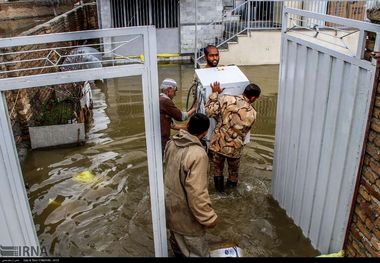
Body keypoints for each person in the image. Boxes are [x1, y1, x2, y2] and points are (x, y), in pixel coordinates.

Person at [164, 113, 218, 257]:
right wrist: (209, 218)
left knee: (178, 251)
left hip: (170, 211)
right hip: (187, 220)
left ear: (187, 126)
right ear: (206, 132)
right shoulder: (198, 154)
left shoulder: (171, 143)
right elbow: (197, 192)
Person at [205, 82, 261, 192]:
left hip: (218, 144)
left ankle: (219, 194)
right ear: (253, 97)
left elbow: (209, 111)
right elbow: (244, 131)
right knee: (233, 173)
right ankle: (231, 195)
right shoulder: (253, 113)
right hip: (235, 148)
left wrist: (215, 93)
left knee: (217, 170)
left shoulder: (226, 99)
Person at [160, 78, 196, 156]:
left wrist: (187, 128)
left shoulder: (160, 99)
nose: (175, 94)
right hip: (162, 140)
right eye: (174, 91)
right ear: (169, 89)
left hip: (161, 138)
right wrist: (194, 108)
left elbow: (172, 125)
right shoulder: (165, 101)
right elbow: (181, 117)